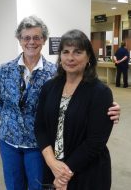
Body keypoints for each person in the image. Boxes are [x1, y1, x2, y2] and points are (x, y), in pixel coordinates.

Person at [0, 16, 120, 190]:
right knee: (14, 186)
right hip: (9, 141)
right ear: (19, 40)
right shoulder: (5, 70)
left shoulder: (52, 74)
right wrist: (11, 122)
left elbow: (92, 126)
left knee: (39, 186)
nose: (31, 42)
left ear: (44, 40)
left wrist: (112, 109)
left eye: (37, 37)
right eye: (26, 37)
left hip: (37, 146)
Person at [35, 29, 114, 190]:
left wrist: (63, 175)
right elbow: (40, 127)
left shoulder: (100, 93)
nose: (70, 58)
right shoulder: (49, 87)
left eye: (77, 52)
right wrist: (52, 163)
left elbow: (95, 142)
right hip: (53, 167)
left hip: (86, 172)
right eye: (66, 52)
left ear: (89, 57)